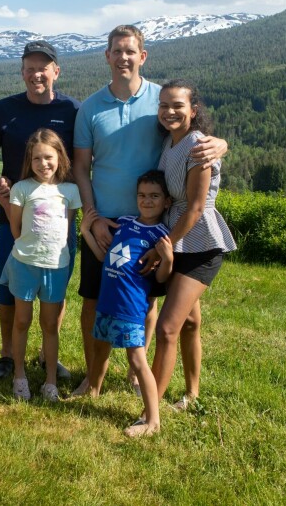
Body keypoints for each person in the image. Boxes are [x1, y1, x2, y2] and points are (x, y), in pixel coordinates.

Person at [73, 25, 228, 396]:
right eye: (117, 51)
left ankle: (136, 373)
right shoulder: (91, 108)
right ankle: (92, 379)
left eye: (131, 51)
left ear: (142, 56)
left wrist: (219, 143)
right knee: (94, 302)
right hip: (108, 222)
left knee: (146, 304)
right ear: (106, 56)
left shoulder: (163, 100)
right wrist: (91, 217)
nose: (123, 57)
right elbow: (80, 167)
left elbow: (194, 132)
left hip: (153, 224)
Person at [0, 40, 79, 381]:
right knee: (9, 291)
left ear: (56, 72)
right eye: (30, 68)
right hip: (13, 218)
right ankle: (7, 354)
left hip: (59, 225)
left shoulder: (73, 111)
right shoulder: (5, 109)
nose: (37, 74)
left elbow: (84, 160)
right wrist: (2, 196)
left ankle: (47, 354)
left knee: (55, 289)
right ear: (22, 72)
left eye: (43, 68)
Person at [151, 79, 236, 411]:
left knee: (168, 327)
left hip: (199, 241)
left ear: (194, 110)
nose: (170, 112)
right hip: (178, 239)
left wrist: (165, 246)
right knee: (189, 322)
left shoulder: (199, 146)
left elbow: (197, 207)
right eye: (164, 106)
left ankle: (151, 411)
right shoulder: (171, 143)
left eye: (177, 106)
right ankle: (192, 394)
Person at [81, 170, 173, 437]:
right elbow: (103, 256)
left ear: (166, 202)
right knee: (100, 350)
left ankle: (153, 421)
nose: (147, 201)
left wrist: (167, 259)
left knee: (137, 359)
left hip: (130, 308)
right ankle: (93, 391)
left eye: (154, 196)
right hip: (107, 302)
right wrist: (86, 231)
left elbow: (160, 278)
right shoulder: (124, 223)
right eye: (142, 195)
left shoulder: (161, 234)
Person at [0, 129, 81, 401]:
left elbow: (68, 227)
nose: (43, 164)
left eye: (49, 157)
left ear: (60, 157)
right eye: (36, 159)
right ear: (29, 160)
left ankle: (50, 381)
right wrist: (29, 249)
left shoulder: (69, 191)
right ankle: (19, 375)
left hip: (56, 265)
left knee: (50, 325)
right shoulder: (21, 189)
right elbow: (15, 226)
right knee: (21, 320)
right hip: (25, 263)